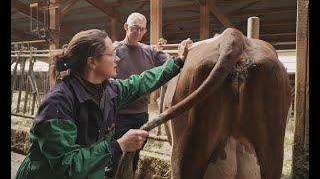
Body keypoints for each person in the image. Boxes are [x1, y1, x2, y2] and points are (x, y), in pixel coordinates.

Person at [15, 29, 193, 179]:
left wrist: (176, 62)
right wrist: (118, 145)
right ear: (92, 62)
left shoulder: (107, 90)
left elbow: (141, 83)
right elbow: (65, 166)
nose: (117, 59)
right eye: (111, 54)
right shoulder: (58, 103)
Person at [109, 12, 170, 176]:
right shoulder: (114, 50)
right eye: (135, 28)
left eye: (142, 29)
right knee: (114, 157)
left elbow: (170, 63)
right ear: (126, 27)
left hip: (141, 114)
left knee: (135, 155)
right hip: (118, 115)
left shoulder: (149, 51)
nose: (138, 32)